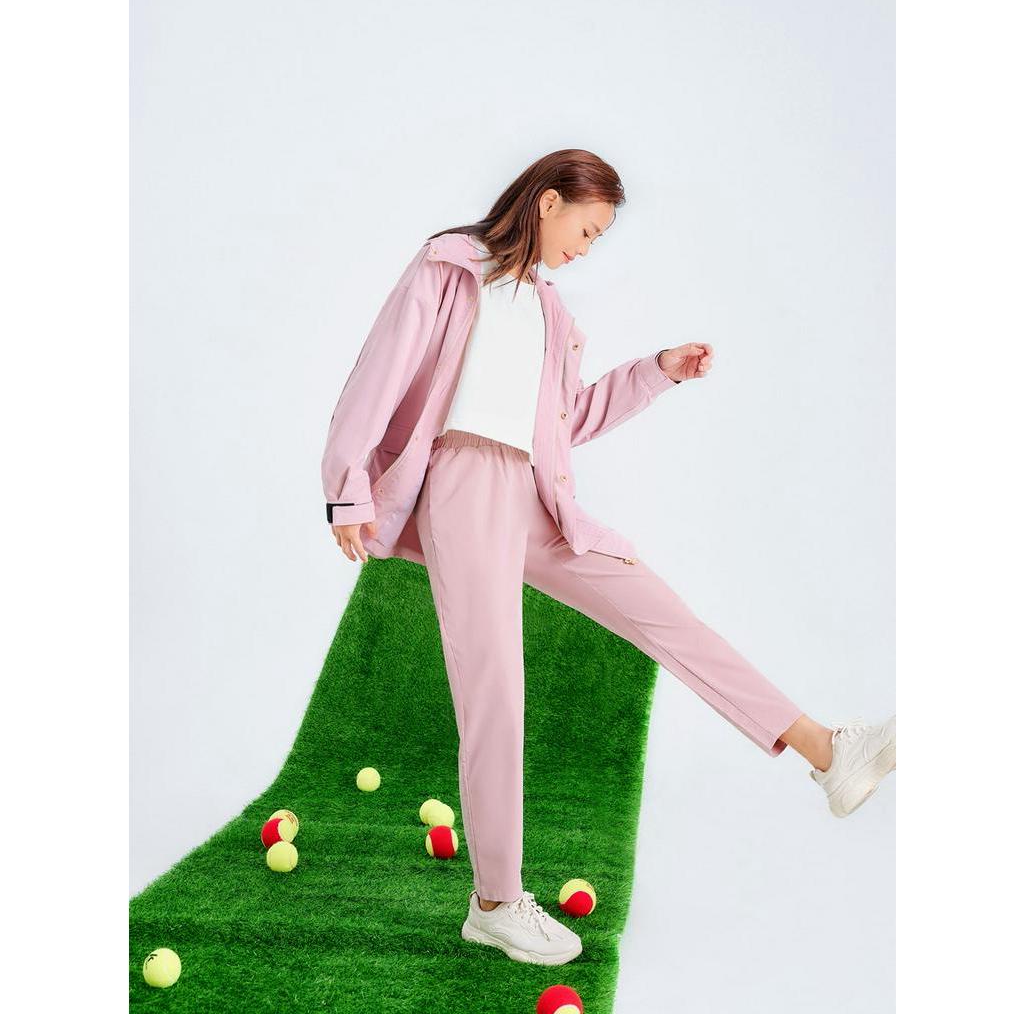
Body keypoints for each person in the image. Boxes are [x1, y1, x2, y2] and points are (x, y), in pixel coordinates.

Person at [321, 149, 896, 967]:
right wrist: (347, 488)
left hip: (532, 493)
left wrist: (655, 373)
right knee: (496, 693)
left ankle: (827, 751)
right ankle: (495, 902)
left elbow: (567, 421)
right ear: (548, 203)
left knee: (660, 610)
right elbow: (378, 374)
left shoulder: (549, 311)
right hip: (460, 484)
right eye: (588, 230)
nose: (587, 248)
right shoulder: (449, 268)